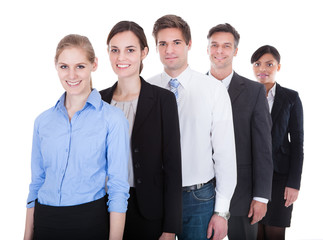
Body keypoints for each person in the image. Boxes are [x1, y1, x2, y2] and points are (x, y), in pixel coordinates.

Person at [23, 34, 130, 240]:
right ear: (56, 66)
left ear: (94, 64)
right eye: (64, 67)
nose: (71, 75)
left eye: (80, 66)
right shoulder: (42, 122)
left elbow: (118, 187)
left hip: (88, 221)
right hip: (45, 221)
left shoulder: (113, 119)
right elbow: (36, 183)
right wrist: (27, 236)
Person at [148, 15, 237, 240]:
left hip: (198, 198)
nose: (169, 49)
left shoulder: (213, 89)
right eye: (162, 43)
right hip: (156, 196)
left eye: (176, 42)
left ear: (189, 44)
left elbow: (225, 153)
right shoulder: (145, 88)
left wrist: (221, 211)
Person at [100, 21, 182, 240]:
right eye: (114, 50)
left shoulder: (163, 100)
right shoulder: (98, 100)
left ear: (144, 52)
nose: (121, 58)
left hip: (148, 210)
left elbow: (173, 166)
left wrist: (170, 227)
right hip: (104, 206)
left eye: (130, 50)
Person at [206, 23, 273, 240]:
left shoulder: (254, 92)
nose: (219, 51)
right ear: (207, 49)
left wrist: (261, 197)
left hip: (243, 195)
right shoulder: (193, 88)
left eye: (226, 46)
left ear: (235, 51)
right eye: (214, 45)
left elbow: (263, 148)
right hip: (200, 194)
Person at [251, 45, 304, 240]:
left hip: (280, 178)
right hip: (252, 176)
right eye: (257, 64)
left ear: (278, 67)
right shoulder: (247, 95)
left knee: (274, 232)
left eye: (269, 64)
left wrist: (294, 183)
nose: (262, 69)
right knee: (254, 232)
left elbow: (298, 143)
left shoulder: (290, 98)